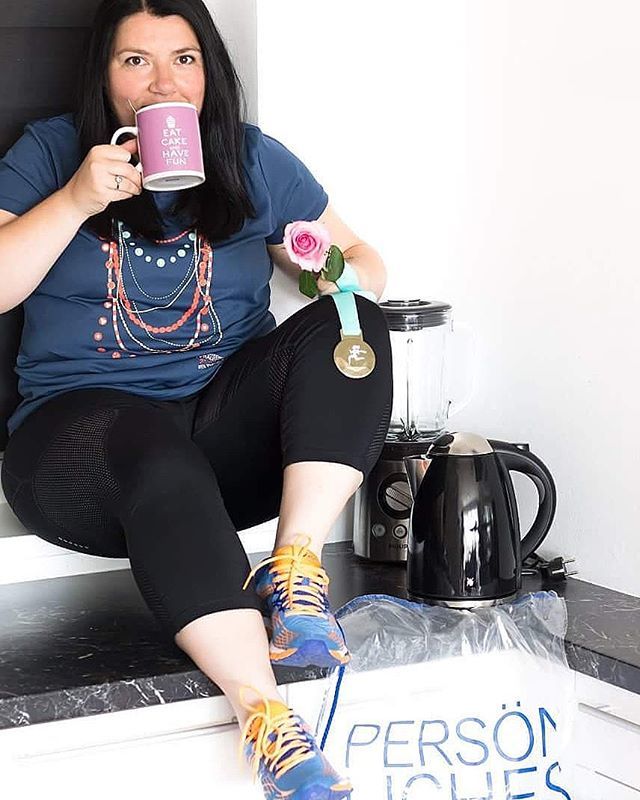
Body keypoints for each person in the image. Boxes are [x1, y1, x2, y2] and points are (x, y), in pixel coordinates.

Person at [0, 1, 392, 797]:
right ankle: (269, 721)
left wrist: (323, 267)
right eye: (135, 61)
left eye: (183, 59)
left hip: (218, 442)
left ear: (208, 72)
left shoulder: (249, 158)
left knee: (353, 321)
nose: (163, 83)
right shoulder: (50, 152)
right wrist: (74, 200)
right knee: (156, 451)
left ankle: (295, 568)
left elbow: (364, 263)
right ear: (103, 75)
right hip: (78, 451)